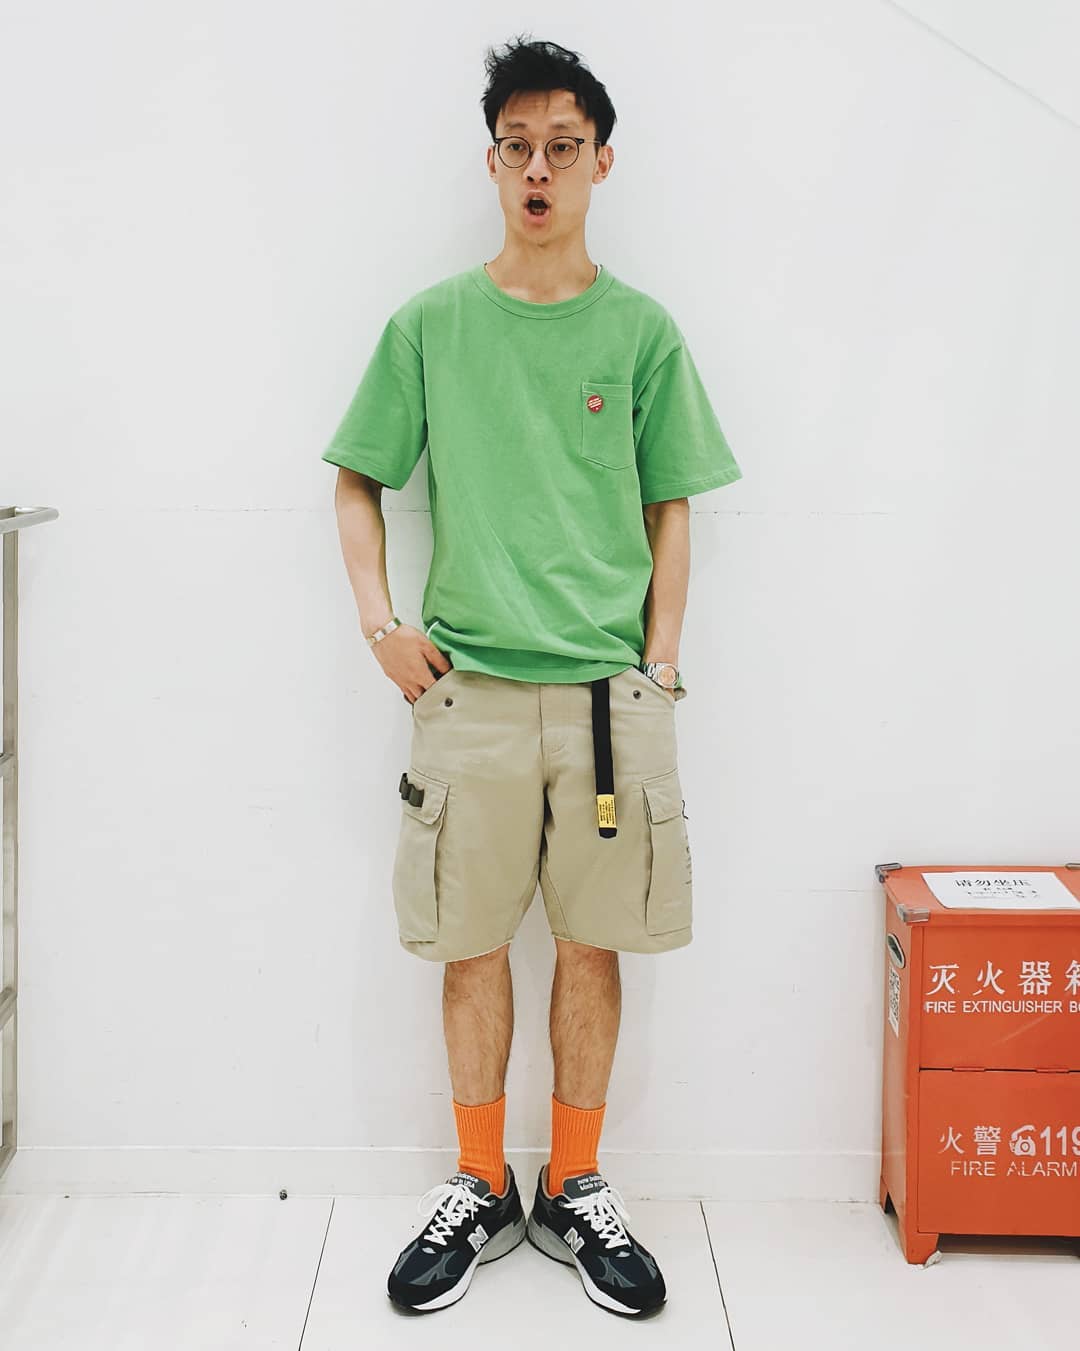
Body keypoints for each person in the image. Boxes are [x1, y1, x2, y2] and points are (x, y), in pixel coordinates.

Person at [323, 35, 742, 1318]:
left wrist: (661, 661)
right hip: (470, 694)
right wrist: (382, 627)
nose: (540, 169)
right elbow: (356, 479)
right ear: (493, 163)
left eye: (565, 146)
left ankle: (573, 1181)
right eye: (519, 148)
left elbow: (673, 504)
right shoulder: (433, 325)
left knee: (593, 945)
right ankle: (477, 1184)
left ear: (602, 162)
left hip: (613, 698)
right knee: (469, 948)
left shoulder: (641, 330)